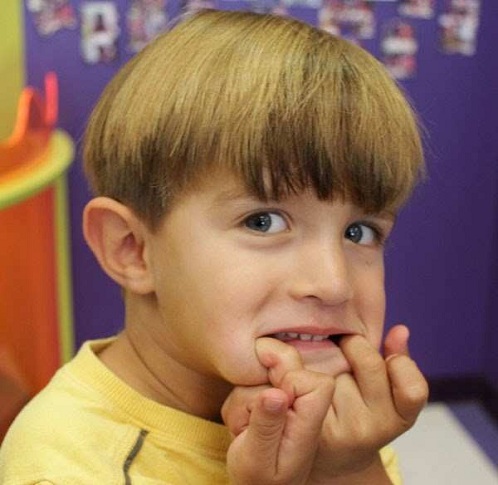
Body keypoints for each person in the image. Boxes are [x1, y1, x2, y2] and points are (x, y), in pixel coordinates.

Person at [0, 9, 429, 484]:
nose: (333, 283)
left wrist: (349, 469)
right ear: (131, 249)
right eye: (263, 222)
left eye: (359, 232)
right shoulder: (63, 465)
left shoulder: (339, 422)